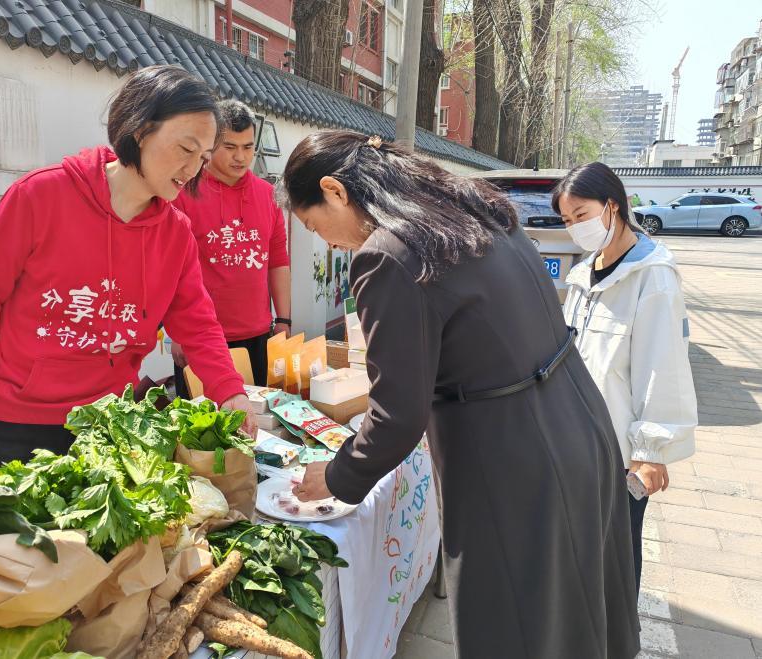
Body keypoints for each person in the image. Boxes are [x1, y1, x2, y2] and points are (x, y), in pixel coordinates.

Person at [287, 131, 640, 658]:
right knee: (578, 605)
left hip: (512, 454)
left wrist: (339, 476)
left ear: (336, 191)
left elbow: (397, 415)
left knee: (517, 621)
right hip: (578, 418)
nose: (329, 244)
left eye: (316, 227)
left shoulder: (387, 254)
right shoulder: (475, 209)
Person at [0, 66, 257, 478]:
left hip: (109, 422)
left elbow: (197, 323)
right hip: (16, 423)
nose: (194, 169)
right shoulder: (41, 196)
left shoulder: (175, 232)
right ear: (140, 130)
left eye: (202, 157)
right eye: (185, 148)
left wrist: (229, 391)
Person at [554, 162, 697, 597]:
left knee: (616, 559)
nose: (575, 227)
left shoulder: (652, 277)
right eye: (566, 220)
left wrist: (651, 452)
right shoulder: (583, 274)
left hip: (620, 453)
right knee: (578, 553)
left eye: (581, 215)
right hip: (576, 445)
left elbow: (663, 367)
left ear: (612, 206)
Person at [171, 100, 291, 391]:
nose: (241, 157)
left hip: (260, 334)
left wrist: (284, 320)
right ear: (211, 145)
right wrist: (175, 335)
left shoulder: (267, 195)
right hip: (202, 337)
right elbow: (170, 268)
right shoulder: (184, 194)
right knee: (202, 429)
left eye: (248, 147)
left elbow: (278, 261)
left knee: (258, 425)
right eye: (230, 147)